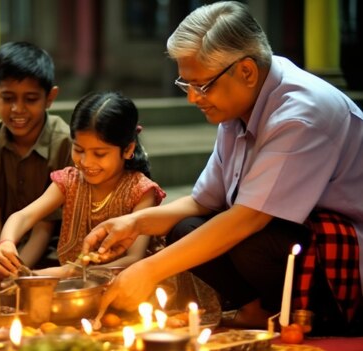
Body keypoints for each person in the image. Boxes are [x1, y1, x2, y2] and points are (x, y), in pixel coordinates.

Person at [82, 1, 363, 336]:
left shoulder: (302, 113)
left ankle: (314, 318)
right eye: (187, 85)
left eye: (201, 86)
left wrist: (146, 271)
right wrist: (135, 223)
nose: (192, 98)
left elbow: (248, 218)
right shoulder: (240, 102)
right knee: (183, 228)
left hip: (344, 253)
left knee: (248, 243)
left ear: (246, 71)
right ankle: (257, 312)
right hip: (288, 234)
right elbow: (204, 201)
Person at [0, 91, 166, 278]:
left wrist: (69, 272)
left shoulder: (141, 191)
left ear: (128, 149)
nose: (86, 162)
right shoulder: (70, 181)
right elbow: (23, 217)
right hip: (76, 287)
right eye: (78, 149)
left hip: (129, 285)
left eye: (99, 154)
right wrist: (7, 242)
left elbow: (133, 259)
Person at [0, 41, 72, 278]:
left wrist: (14, 272)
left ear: (50, 97)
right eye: (7, 97)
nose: (18, 109)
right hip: (5, 247)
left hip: (56, 255)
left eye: (30, 99)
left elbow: (45, 226)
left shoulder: (64, 144)